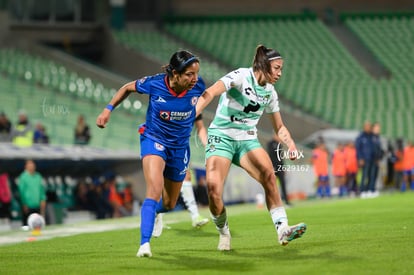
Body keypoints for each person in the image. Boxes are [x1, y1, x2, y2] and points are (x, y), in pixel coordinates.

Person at [195, 45, 306, 251]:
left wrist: (290, 144)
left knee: (269, 175)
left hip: (247, 139)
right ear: (263, 65)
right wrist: (193, 112)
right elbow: (210, 92)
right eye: (277, 68)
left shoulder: (270, 93)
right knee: (213, 190)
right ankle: (224, 232)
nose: (280, 73)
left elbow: (279, 127)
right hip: (222, 136)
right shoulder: (240, 76)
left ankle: (283, 229)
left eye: (281, 69)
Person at [96, 50, 205, 257]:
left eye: (196, 74)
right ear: (175, 73)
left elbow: (207, 100)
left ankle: (155, 214)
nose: (195, 79)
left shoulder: (198, 87)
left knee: (169, 203)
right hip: (154, 140)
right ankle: (144, 245)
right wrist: (108, 109)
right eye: (189, 74)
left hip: (180, 148)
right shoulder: (155, 83)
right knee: (153, 189)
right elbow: (127, 88)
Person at [16, 160, 47, 226]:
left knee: (37, 225)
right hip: (28, 206)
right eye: (29, 164)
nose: (31, 166)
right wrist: (24, 203)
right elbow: (22, 192)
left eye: (32, 164)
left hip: (37, 205)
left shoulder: (38, 176)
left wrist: (43, 199)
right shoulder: (23, 177)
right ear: (26, 166)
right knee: (27, 224)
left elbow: (41, 189)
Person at [267, 133, 290, 205]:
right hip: (273, 167)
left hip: (280, 167)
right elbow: (270, 156)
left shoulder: (279, 144)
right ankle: (273, 202)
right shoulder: (270, 144)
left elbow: (281, 158)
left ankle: (286, 201)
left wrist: (283, 167)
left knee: (283, 184)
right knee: (272, 185)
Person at [355, 121, 375, 198]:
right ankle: (362, 190)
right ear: (364, 127)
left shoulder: (372, 136)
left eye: (369, 126)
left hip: (372, 159)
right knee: (364, 175)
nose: (368, 128)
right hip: (364, 159)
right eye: (367, 126)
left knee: (371, 176)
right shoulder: (361, 137)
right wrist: (360, 158)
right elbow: (358, 149)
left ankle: (370, 190)